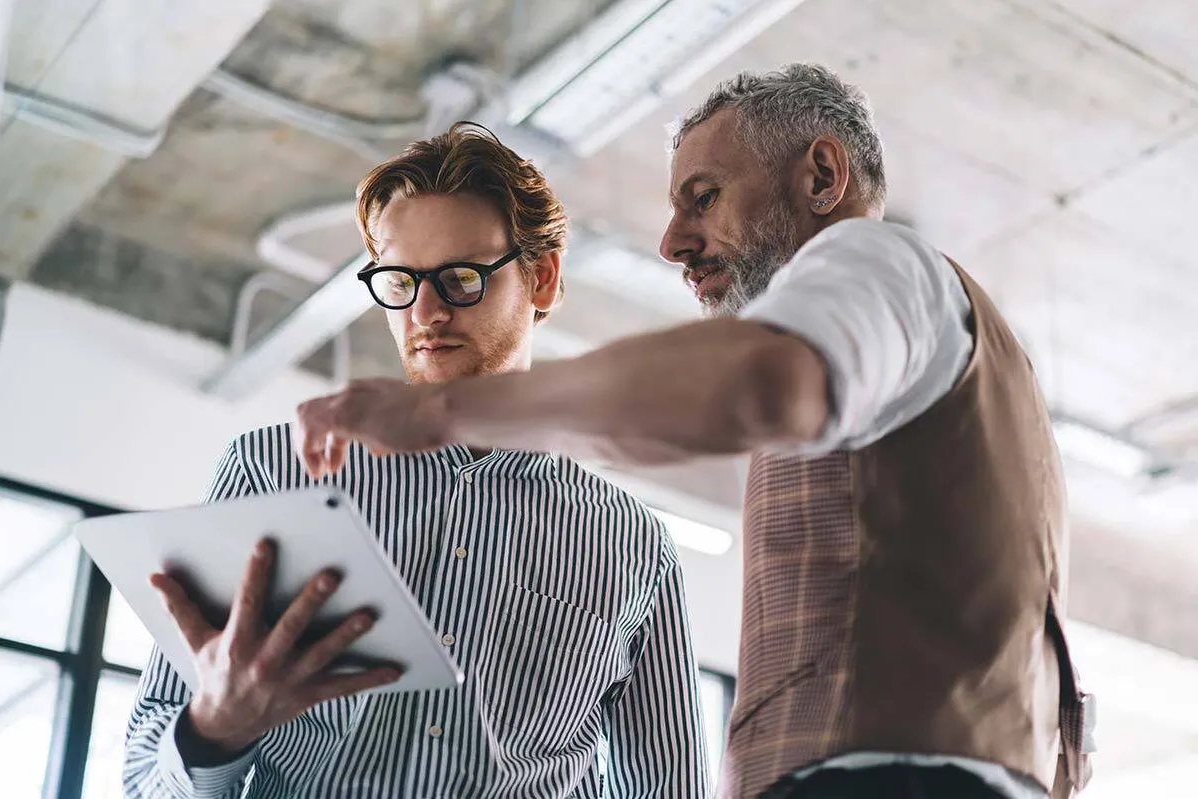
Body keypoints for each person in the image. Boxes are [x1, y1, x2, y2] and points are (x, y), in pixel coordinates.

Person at [295, 64, 1096, 799]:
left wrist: (444, 410)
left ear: (822, 175)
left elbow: (758, 386)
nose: (672, 240)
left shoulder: (879, 262)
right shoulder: (981, 364)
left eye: (703, 196)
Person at [123, 123, 710, 798]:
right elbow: (145, 780)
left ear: (542, 280)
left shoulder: (634, 545)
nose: (425, 312)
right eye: (400, 280)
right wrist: (215, 729)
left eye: (460, 278)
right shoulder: (271, 474)